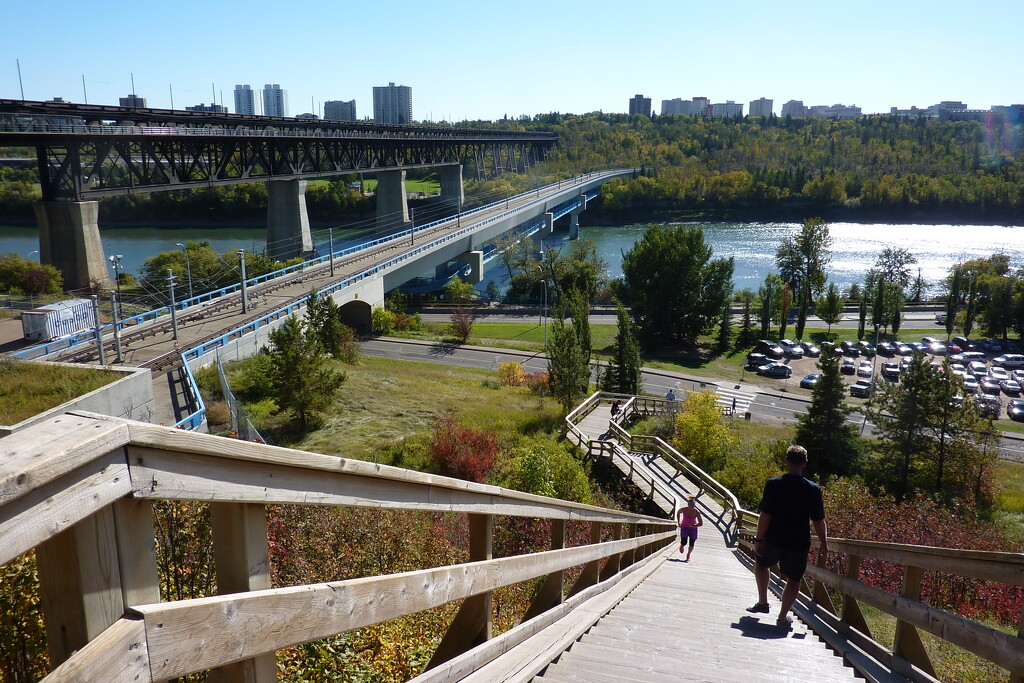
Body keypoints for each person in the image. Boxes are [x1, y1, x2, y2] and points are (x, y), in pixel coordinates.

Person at [747, 445, 828, 628]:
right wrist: (824, 543)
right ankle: (782, 617)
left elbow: (765, 515)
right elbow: (818, 520)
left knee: (761, 563)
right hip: (798, 543)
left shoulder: (774, 484)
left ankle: (763, 603)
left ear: (787, 461)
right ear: (805, 463)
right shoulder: (813, 489)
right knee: (794, 579)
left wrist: (759, 538)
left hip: (774, 537)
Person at [676, 495, 703, 561]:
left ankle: (688, 554)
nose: (691, 508)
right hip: (684, 527)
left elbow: (701, 523)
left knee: (692, 543)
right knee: (684, 541)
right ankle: (682, 545)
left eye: (692, 506)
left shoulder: (696, 512)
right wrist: (679, 521)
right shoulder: (684, 509)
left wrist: (693, 525)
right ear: (688, 505)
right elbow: (678, 512)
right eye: (689, 506)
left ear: (694, 506)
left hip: (693, 529)